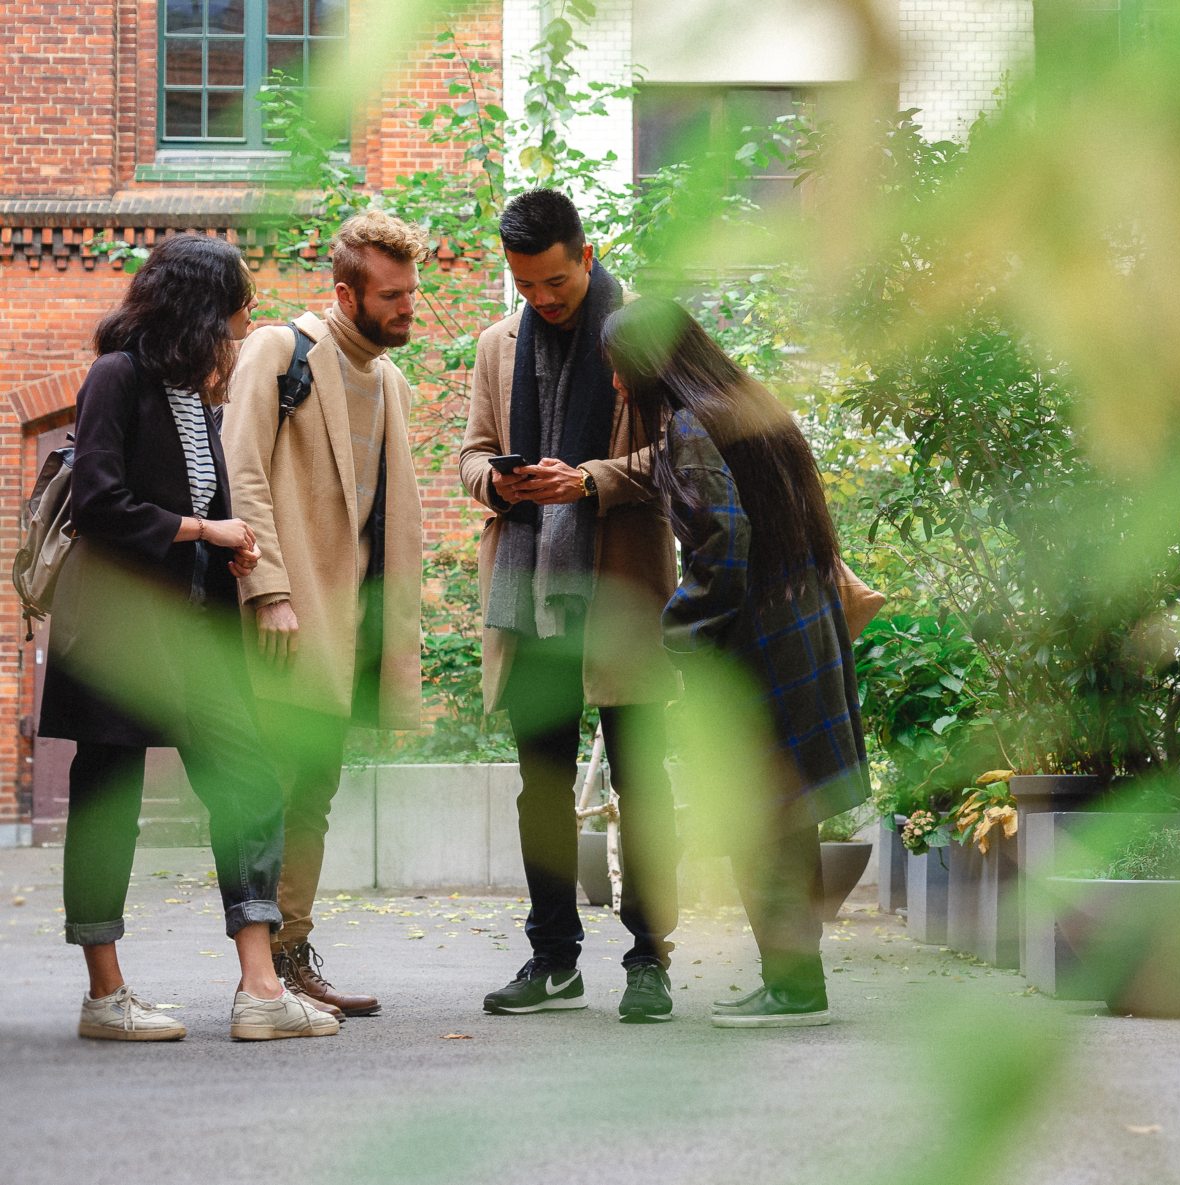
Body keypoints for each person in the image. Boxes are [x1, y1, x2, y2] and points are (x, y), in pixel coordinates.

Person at [39, 233, 338, 1042]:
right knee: (108, 802)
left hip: (197, 629)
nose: (240, 332)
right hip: (118, 631)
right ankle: (106, 995)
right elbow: (102, 502)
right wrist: (206, 526)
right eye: (235, 315)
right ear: (196, 308)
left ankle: (260, 989)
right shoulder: (117, 377)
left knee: (249, 783)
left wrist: (224, 543)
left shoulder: (197, 396)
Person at [600, 296, 870, 1028]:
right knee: (789, 811)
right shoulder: (749, 406)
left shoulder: (689, 425)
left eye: (619, 371)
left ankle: (790, 987)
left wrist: (681, 635)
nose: (618, 387)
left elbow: (723, 539)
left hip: (760, 634)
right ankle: (796, 980)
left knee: (759, 814)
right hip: (800, 614)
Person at [460, 189, 680, 1023]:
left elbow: (682, 454)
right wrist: (498, 479)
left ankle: (651, 956)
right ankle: (553, 958)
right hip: (528, 595)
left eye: (554, 281)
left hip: (620, 592)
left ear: (585, 257)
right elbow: (471, 452)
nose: (541, 299)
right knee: (540, 788)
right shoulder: (497, 345)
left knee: (643, 784)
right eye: (525, 285)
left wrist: (590, 479)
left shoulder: (641, 334)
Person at [222, 211, 424, 1020]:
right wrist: (267, 588)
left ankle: (289, 956)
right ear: (346, 292)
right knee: (269, 790)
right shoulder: (281, 351)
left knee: (314, 790)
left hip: (351, 632)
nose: (409, 306)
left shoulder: (391, 380)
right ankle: (260, 972)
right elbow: (242, 469)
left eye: (413, 291)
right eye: (393, 294)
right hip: (286, 616)